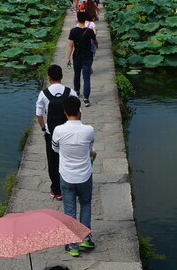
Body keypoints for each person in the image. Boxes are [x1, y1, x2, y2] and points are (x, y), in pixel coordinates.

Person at [51, 95, 96, 257]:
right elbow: (90, 148)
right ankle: (85, 238)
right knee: (85, 204)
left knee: (69, 210)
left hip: (67, 175)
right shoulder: (88, 130)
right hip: (85, 174)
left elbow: (55, 149)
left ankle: (72, 245)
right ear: (79, 111)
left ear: (64, 112)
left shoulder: (58, 130)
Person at [35, 64, 77, 201]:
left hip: (51, 132)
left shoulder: (44, 94)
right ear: (62, 77)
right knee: (68, 158)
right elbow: (78, 113)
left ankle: (56, 190)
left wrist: (43, 128)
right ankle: (70, 186)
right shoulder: (70, 92)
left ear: (49, 77)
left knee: (53, 161)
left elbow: (39, 115)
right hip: (68, 131)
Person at [67, 12, 97, 106]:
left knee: (77, 74)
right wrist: (96, 46)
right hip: (88, 56)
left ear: (77, 19)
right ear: (85, 20)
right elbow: (95, 41)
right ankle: (86, 98)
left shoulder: (73, 31)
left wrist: (68, 58)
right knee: (86, 77)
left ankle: (76, 91)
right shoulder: (90, 31)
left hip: (77, 56)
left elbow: (71, 45)